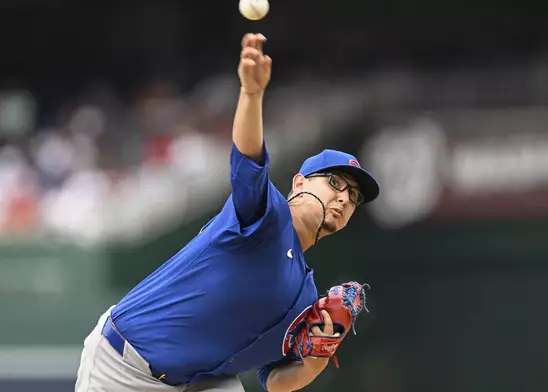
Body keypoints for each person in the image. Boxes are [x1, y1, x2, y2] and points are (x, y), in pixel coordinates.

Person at [75, 33, 380, 392]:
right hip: (125, 367)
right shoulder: (267, 216)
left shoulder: (304, 294)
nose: (344, 198)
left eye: (354, 196)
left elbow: (275, 382)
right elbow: (248, 157)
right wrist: (251, 96)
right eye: (335, 182)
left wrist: (317, 358)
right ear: (298, 182)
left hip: (196, 383)